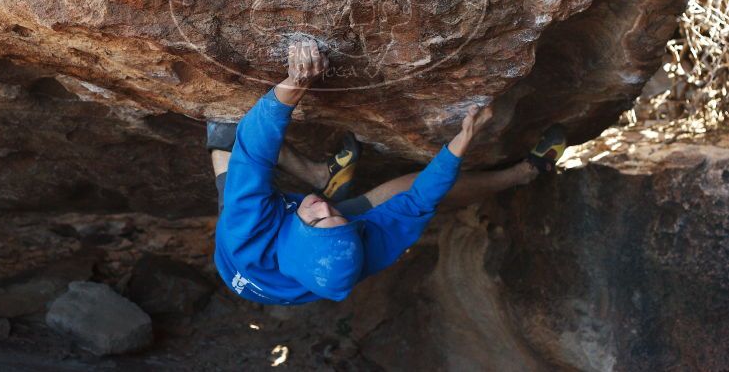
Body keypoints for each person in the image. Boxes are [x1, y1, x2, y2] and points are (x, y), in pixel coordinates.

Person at [209, 39, 563, 305]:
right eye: (335, 215)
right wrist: (463, 140)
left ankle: (321, 175)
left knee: (227, 132)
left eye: (321, 217)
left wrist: (294, 84)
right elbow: (421, 199)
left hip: (243, 251)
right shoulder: (358, 251)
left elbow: (254, 150)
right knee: (405, 188)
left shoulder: (247, 225)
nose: (323, 206)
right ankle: (522, 174)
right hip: (300, 264)